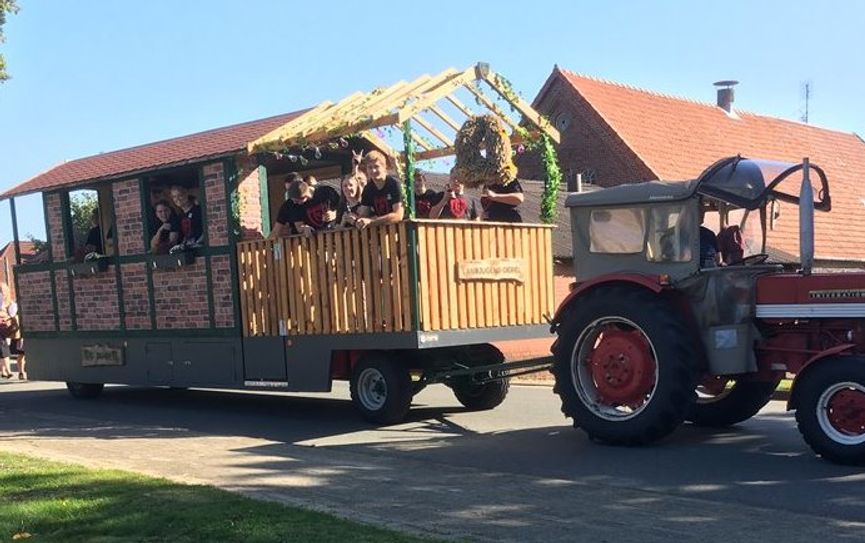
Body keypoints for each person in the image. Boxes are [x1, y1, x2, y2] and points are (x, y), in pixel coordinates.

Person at [356, 150, 404, 229]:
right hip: (379, 234)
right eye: (370, 167)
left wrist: (372, 221)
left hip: (400, 232)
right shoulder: (368, 189)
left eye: (376, 166)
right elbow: (364, 214)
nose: (373, 170)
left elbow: (398, 215)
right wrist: (358, 221)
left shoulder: (394, 184)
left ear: (384, 167)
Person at [0, 282, 19, 379]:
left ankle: (4, 371)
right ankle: (8, 371)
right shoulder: (4, 301)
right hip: (2, 328)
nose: (2, 293)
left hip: (5, 328)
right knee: (4, 350)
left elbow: (11, 314)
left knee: (3, 350)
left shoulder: (9, 302)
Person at [699, 203, 721, 268]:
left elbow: (718, 258)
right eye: (700, 211)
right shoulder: (680, 235)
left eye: (703, 212)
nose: (703, 214)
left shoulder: (709, 234)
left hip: (710, 271)